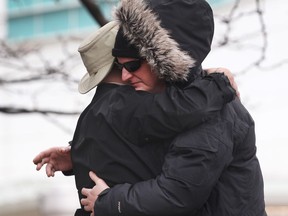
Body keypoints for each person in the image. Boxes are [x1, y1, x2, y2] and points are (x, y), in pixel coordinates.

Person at [79, 0, 266, 215]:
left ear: (160, 59)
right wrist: (79, 154)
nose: (124, 76)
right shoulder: (183, 104)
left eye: (132, 66)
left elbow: (177, 195)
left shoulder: (209, 115)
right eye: (120, 66)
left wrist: (109, 202)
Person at [33, 19, 237, 216]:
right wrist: (218, 83)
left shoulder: (91, 114)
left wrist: (76, 155)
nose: (127, 75)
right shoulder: (130, 104)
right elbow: (183, 108)